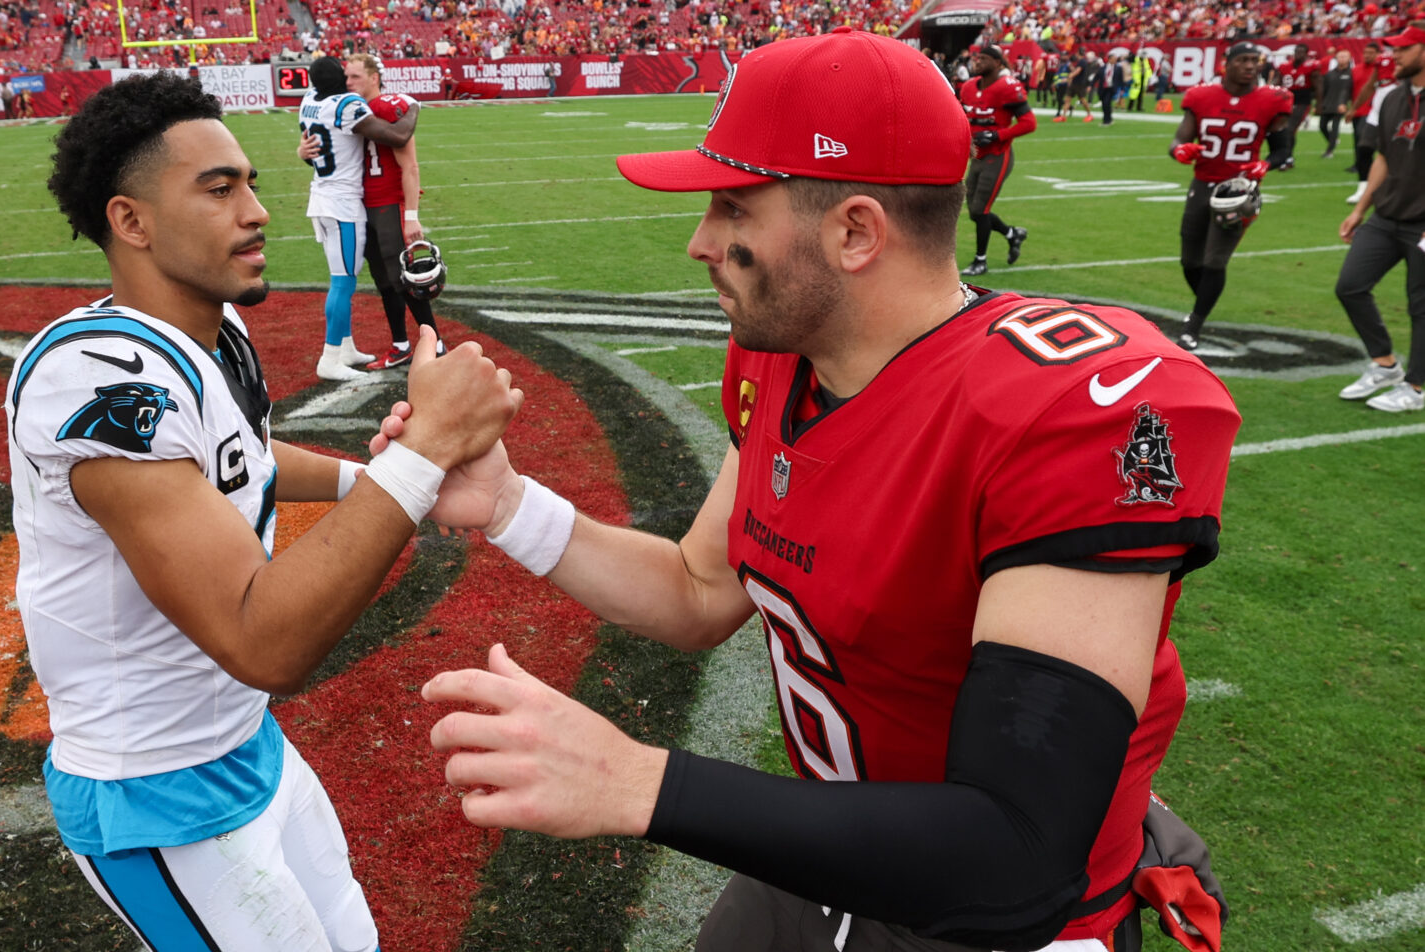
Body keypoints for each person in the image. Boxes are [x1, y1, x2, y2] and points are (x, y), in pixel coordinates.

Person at [391, 28, 1240, 952]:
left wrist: (640, 784)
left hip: (993, 918)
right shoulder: (783, 367)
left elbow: (1016, 850)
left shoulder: (1065, 410)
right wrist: (511, 504)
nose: (700, 242)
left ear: (854, 232)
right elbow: (699, 590)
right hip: (832, 857)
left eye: (733, 209)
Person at [13, 71, 520, 950]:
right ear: (130, 221)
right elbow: (263, 640)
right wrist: (425, 451)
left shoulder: (211, 334)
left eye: (249, 182)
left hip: (242, 745)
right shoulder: (99, 381)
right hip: (155, 790)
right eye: (218, 189)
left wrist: (378, 482)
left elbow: (238, 460)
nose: (256, 211)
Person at [298, 55, 421, 380]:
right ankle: (330, 358)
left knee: (342, 278)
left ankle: (346, 346)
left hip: (321, 198)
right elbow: (397, 136)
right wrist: (413, 107)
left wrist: (300, 152)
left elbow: (312, 147)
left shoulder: (308, 99)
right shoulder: (347, 104)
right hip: (342, 205)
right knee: (343, 282)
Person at [1169, 41, 1293, 350]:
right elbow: (1179, 140)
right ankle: (1204, 306)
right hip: (1201, 184)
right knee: (1189, 261)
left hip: (1237, 191)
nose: (1251, 66)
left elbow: (1282, 149)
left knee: (1215, 261)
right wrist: (1180, 151)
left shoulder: (1271, 100)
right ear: (1228, 63)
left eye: (1255, 60)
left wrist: (1266, 164)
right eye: (1244, 60)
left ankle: (1194, 324)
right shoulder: (1201, 96)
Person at [1333, 23, 1425, 412]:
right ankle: (1385, 364)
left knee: (1421, 305)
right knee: (1350, 286)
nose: (1396, 55)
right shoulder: (1392, 96)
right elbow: (1384, 157)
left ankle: (1417, 388)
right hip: (1387, 214)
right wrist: (1359, 209)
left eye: (1405, 48)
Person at [349, 53, 445, 368]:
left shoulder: (389, 107)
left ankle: (437, 344)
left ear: (374, 77)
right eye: (347, 77)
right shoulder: (353, 110)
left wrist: (411, 216)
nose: (349, 83)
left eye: (355, 77)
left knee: (404, 280)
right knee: (383, 279)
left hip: (388, 205)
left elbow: (410, 165)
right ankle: (401, 345)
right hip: (365, 207)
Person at [959, 44, 1035, 276]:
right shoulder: (969, 87)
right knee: (974, 211)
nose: (977, 61)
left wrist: (997, 134)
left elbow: (1029, 123)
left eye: (983, 58)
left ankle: (980, 260)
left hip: (998, 155)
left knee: (981, 209)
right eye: (976, 57)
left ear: (998, 63)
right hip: (977, 155)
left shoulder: (1007, 87)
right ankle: (1012, 234)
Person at [1347, 41, 1396, 204]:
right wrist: (1354, 108)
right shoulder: (1383, 60)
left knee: (1395, 151)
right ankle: (1363, 189)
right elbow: (1369, 86)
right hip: (1377, 108)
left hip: (1398, 107)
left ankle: (1393, 189)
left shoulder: (1414, 60)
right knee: (1364, 148)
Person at [1277, 43, 1320, 169]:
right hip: (1286, 100)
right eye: (1296, 51)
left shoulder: (1311, 66)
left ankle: (1287, 158)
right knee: (1283, 130)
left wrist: (1318, 103)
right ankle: (1286, 157)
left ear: (1306, 54)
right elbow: (1278, 82)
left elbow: (1317, 86)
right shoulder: (1284, 66)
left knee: (1289, 129)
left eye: (1301, 52)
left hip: (1302, 101)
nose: (1298, 54)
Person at [1318, 48, 1356, 159]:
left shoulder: (1352, 73)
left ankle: (1329, 150)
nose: (1342, 58)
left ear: (1349, 58)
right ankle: (1333, 140)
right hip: (1327, 103)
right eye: (1340, 56)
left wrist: (1347, 104)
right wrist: (1319, 104)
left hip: (1341, 105)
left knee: (1335, 127)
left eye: (1344, 56)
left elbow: (1351, 91)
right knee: (1322, 126)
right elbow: (1323, 90)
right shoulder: (1329, 74)